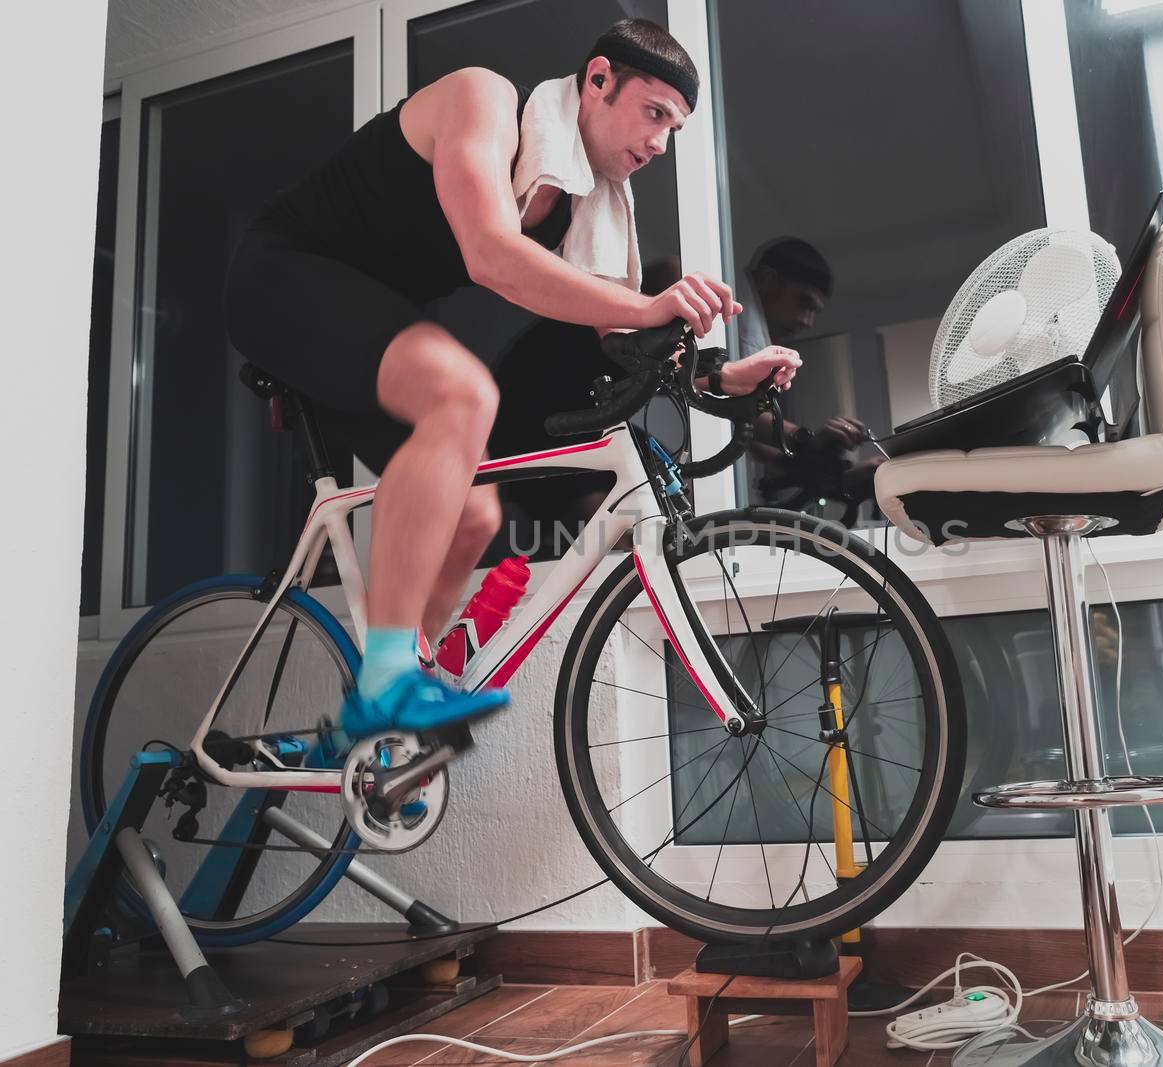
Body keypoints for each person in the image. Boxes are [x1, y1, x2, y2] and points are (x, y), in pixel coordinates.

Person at [225, 18, 800, 741]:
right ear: (597, 81)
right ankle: (386, 683)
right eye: (654, 113)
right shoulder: (482, 100)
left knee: (474, 515)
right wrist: (651, 303)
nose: (659, 142)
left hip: (370, 316)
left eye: (673, 130)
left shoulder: (586, 204)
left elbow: (621, 338)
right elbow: (490, 254)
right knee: (463, 394)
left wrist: (720, 381)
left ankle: (389, 721)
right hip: (283, 275)